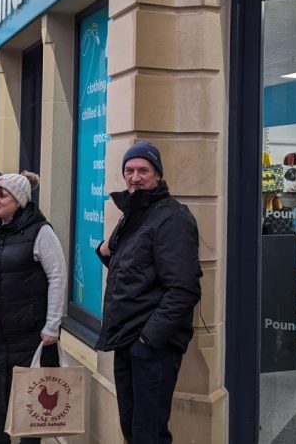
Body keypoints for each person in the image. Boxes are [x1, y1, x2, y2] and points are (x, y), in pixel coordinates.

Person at [96, 142, 202, 444]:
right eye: (129, 170)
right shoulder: (135, 213)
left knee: (149, 433)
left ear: (157, 175)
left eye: (143, 170)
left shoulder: (171, 218)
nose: (135, 177)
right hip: (127, 338)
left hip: (152, 345)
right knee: (133, 429)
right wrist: (104, 251)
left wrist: (148, 340)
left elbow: (183, 289)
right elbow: (132, 265)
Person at [0, 174, 67, 444]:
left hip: (28, 334)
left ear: (20, 201)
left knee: (29, 409)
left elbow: (58, 277)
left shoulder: (40, 231)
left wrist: (51, 325)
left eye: (2, 195)